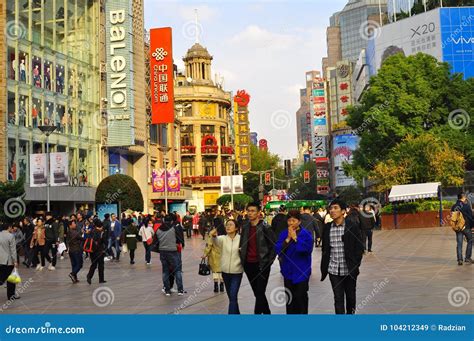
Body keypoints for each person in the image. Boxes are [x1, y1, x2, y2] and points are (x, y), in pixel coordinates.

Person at [321, 198, 364, 314]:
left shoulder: (352, 226)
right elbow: (325, 248)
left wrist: (355, 264)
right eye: (331, 208)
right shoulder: (327, 227)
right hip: (333, 270)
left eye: (336, 208)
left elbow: (359, 247)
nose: (332, 211)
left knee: (351, 298)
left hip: (349, 269)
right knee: (338, 298)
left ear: (343, 211)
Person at [239, 202, 276, 314]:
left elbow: (274, 246)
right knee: (257, 293)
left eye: (253, 211)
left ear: (259, 212)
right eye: (248, 211)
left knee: (260, 292)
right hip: (248, 264)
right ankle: (267, 313)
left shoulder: (265, 227)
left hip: (262, 265)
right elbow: (242, 243)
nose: (250, 213)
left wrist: (269, 262)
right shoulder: (245, 227)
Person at [275, 210, 313, 314]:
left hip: (302, 271)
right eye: (289, 220)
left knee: (301, 298)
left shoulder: (306, 234)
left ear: (299, 221)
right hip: (288, 272)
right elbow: (278, 250)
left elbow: (307, 249)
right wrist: (287, 239)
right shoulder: (283, 234)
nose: (291, 223)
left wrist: (296, 238)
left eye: (294, 220)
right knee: (290, 299)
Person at [211, 220, 243, 314]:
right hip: (225, 272)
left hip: (237, 272)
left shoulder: (241, 239)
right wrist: (213, 236)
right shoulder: (223, 239)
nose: (228, 227)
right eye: (227, 225)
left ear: (236, 228)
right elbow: (216, 242)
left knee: (233, 296)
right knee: (232, 298)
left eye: (231, 225)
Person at [156, 214, 185, 296]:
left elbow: (155, 242)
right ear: (171, 221)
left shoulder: (158, 230)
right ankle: (180, 290)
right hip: (173, 251)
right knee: (177, 270)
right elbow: (180, 239)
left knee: (165, 271)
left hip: (162, 252)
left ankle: (167, 290)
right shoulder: (174, 228)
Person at [451, 193, 473, 265]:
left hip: (458, 227)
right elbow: (471, 217)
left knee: (459, 243)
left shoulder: (454, 206)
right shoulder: (466, 206)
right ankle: (467, 258)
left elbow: (452, 218)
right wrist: (472, 226)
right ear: (464, 198)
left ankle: (460, 260)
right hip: (466, 227)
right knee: (470, 240)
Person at [202, 226, 224, 293]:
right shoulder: (224, 233)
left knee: (215, 272)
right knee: (221, 271)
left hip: (214, 255)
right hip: (223, 255)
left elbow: (209, 245)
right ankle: (222, 286)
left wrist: (205, 254)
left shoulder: (212, 234)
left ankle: (216, 286)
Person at [0, 223, 18, 300]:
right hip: (8, 261)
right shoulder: (11, 236)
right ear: (9, 227)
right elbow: (13, 250)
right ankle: (11, 295)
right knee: (11, 278)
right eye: (11, 227)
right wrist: (15, 261)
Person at [86, 220, 107, 284]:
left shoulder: (91, 231)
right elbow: (103, 241)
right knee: (101, 265)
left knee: (94, 264)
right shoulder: (101, 232)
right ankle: (101, 279)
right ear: (101, 226)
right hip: (99, 251)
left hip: (92, 251)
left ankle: (89, 276)